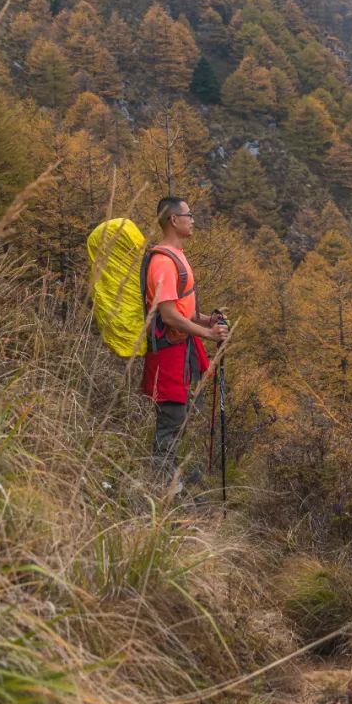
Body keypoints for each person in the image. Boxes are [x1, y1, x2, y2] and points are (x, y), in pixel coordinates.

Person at [140, 195, 228, 486]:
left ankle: (168, 480)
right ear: (174, 220)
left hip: (179, 350)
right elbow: (168, 315)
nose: (193, 220)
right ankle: (161, 488)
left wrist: (205, 320)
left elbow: (181, 308)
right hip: (169, 355)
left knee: (177, 419)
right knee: (171, 420)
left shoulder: (175, 256)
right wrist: (208, 334)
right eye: (188, 215)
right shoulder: (164, 262)